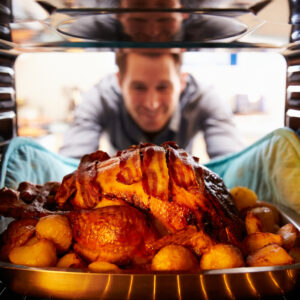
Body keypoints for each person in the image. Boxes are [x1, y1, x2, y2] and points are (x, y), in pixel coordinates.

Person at [59, 49, 244, 159]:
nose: (152, 104)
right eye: (139, 87)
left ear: (181, 82)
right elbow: (72, 163)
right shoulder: (100, 98)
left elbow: (231, 161)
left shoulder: (203, 98)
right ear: (119, 82)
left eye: (163, 87)